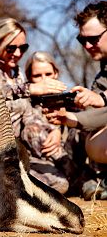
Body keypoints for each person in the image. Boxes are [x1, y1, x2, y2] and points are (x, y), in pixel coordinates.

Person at [0, 17, 71, 194]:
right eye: (11, 48)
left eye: (23, 48)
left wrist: (55, 129)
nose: (18, 53)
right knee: (55, 186)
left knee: (62, 178)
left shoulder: (17, 72)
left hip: (26, 144)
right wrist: (30, 88)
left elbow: (29, 111)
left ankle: (78, 176)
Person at [46, 1, 107, 200]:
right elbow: (98, 116)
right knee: (87, 139)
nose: (88, 46)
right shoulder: (102, 75)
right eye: (83, 40)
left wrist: (102, 98)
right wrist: (66, 117)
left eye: (94, 39)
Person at [25, 51, 90, 195]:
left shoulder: (72, 100)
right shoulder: (25, 105)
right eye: (37, 76)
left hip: (73, 161)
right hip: (42, 165)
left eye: (48, 74)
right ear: (29, 78)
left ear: (56, 73)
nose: (45, 80)